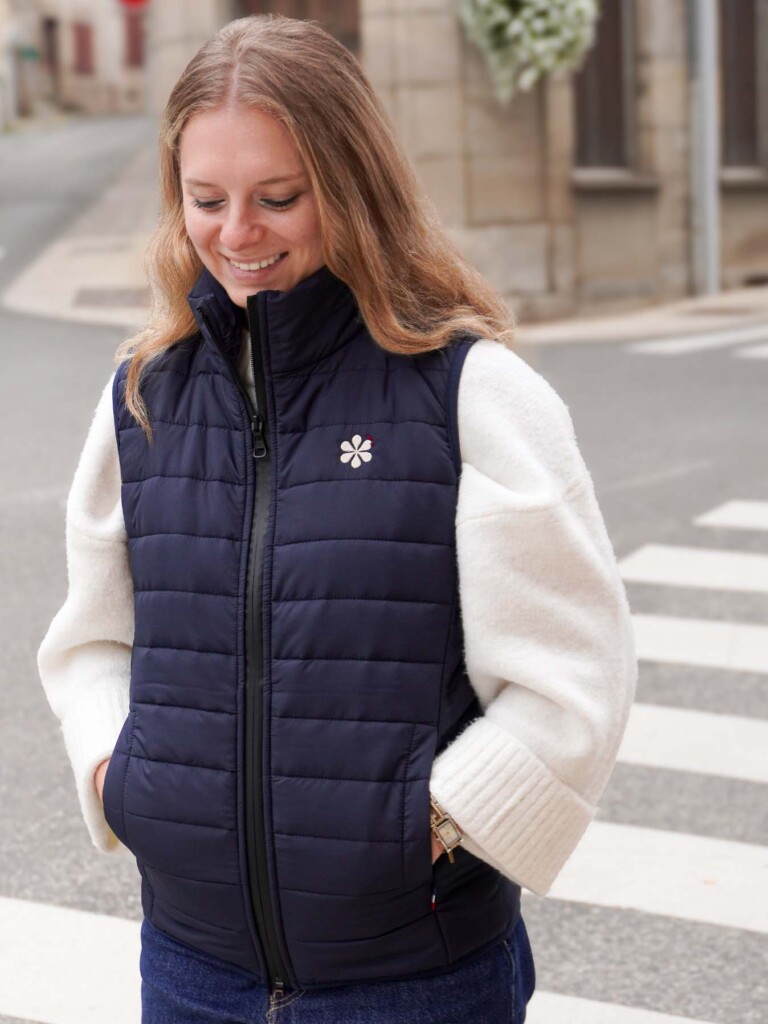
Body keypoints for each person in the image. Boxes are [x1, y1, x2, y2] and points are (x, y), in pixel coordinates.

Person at [37, 14, 637, 1024]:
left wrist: (434, 823)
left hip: (416, 981)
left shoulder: (472, 391)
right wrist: (120, 777)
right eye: (206, 199)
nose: (237, 233)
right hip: (189, 972)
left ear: (353, 185)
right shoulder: (142, 396)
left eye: (279, 198)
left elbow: (576, 671)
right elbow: (91, 637)